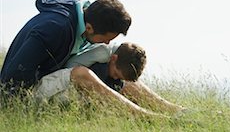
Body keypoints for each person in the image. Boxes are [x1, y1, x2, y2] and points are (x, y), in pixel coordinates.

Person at [0, 0, 131, 96]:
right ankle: (143, 115)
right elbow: (17, 71)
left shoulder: (86, 22)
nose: (107, 43)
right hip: (24, 93)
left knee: (121, 69)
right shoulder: (54, 28)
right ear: (89, 28)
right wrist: (17, 103)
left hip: (51, 80)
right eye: (105, 39)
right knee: (82, 74)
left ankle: (151, 112)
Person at [34, 42, 185, 119]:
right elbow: (73, 69)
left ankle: (176, 110)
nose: (115, 77)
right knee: (90, 75)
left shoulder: (112, 59)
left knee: (127, 84)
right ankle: (146, 116)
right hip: (63, 83)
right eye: (116, 73)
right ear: (113, 59)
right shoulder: (101, 53)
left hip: (82, 87)